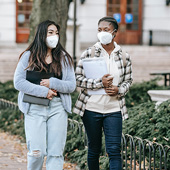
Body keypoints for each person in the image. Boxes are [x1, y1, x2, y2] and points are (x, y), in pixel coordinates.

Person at [14, 20, 76, 170]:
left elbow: (71, 85)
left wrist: (52, 83)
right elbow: (19, 82)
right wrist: (44, 91)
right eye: (50, 33)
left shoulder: (63, 58)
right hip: (34, 108)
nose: (54, 36)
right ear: (42, 35)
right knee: (37, 152)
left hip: (57, 108)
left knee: (56, 154)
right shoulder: (28, 56)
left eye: (56, 33)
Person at [73, 16, 133, 170]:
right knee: (93, 149)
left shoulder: (124, 57)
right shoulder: (89, 53)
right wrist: (100, 83)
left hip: (114, 110)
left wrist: (119, 90)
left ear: (114, 32)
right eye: (99, 30)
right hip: (92, 109)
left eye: (106, 30)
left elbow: (128, 81)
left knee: (114, 150)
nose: (102, 33)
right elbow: (77, 79)